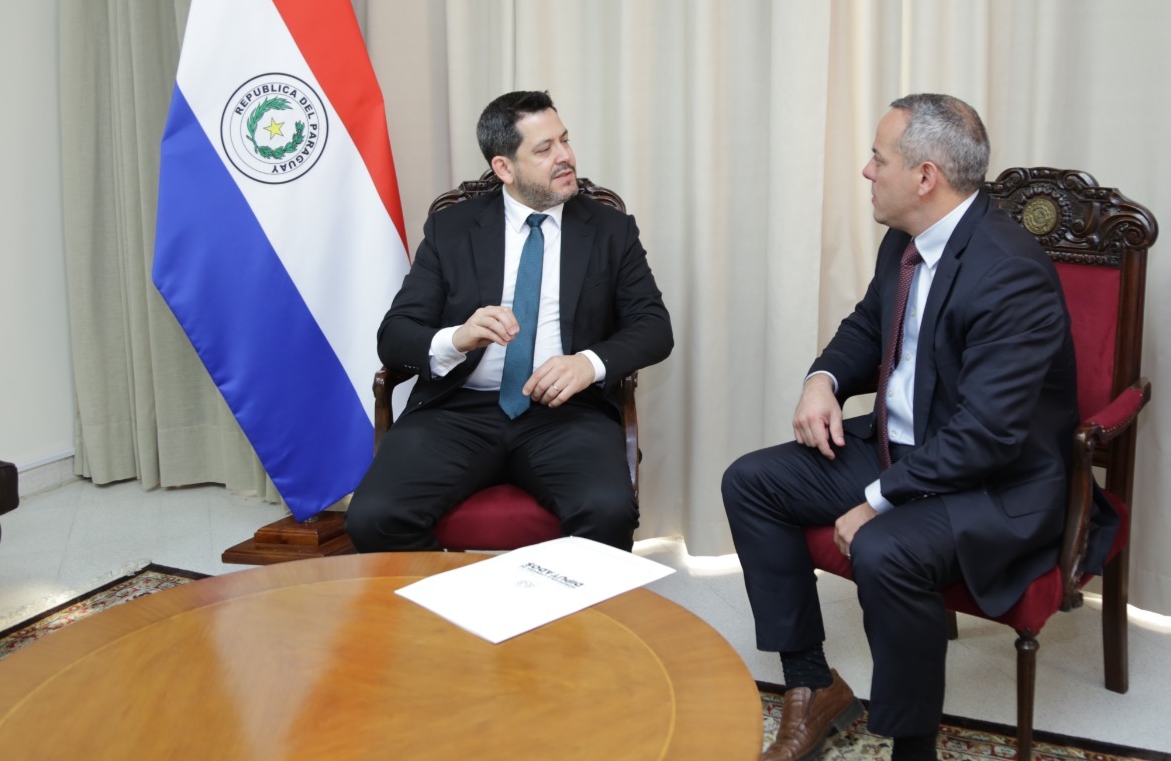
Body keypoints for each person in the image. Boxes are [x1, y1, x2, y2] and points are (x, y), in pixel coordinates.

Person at [722, 94, 1114, 761]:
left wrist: (875, 500)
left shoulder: (1008, 272)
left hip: (995, 483)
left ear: (925, 176)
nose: (867, 172)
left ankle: (913, 745)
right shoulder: (905, 238)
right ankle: (811, 683)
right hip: (902, 448)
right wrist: (823, 379)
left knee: (883, 548)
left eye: (879, 158)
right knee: (752, 482)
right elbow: (869, 325)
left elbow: (988, 435)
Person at [346, 91, 673, 553]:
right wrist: (457, 339)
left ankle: (568, 622)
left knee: (608, 511)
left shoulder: (610, 230)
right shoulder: (452, 229)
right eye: (544, 150)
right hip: (458, 410)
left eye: (564, 140)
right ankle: (452, 614)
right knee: (374, 518)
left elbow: (654, 327)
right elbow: (395, 335)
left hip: (565, 414)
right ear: (504, 167)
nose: (565, 157)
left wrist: (588, 364)